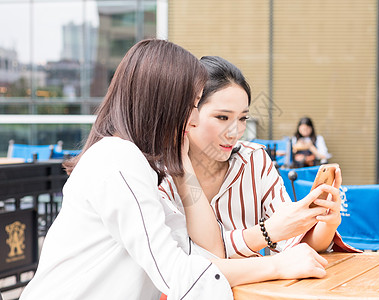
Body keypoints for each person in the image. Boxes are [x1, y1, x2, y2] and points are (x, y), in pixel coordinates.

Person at [19, 40, 329, 300]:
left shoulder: (146, 164)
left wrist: (184, 171)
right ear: (161, 104)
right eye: (192, 105)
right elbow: (178, 274)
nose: (193, 120)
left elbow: (204, 254)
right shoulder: (118, 161)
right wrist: (277, 266)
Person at [159, 56, 358, 260]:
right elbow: (186, 257)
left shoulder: (254, 161)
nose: (234, 132)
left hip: (257, 288)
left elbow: (293, 238)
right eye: (222, 117)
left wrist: (327, 223)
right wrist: (265, 232)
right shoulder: (158, 174)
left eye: (243, 118)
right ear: (188, 115)